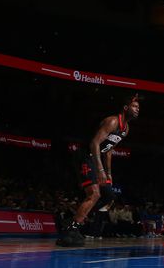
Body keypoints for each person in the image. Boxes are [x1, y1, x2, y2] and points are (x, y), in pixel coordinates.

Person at [57, 94, 140, 247]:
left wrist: (108, 173)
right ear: (125, 108)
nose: (138, 109)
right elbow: (94, 143)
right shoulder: (113, 121)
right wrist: (100, 169)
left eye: (138, 108)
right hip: (85, 156)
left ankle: (74, 219)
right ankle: (71, 228)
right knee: (94, 194)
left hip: (96, 159)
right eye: (135, 107)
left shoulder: (125, 129)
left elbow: (108, 151)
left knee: (109, 195)